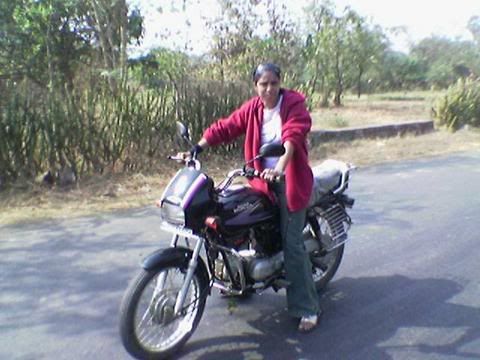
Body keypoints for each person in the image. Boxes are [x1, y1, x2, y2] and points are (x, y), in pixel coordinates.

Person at [183, 63, 320, 332]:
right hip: (260, 181)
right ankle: (239, 279)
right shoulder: (253, 108)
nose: (268, 89)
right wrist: (197, 147)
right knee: (229, 218)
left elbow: (292, 136)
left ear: (280, 83)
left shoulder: (294, 104)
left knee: (293, 246)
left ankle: (308, 308)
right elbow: (227, 126)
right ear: (255, 86)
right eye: (263, 84)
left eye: (273, 83)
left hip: (289, 181)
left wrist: (279, 169)